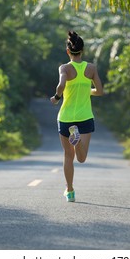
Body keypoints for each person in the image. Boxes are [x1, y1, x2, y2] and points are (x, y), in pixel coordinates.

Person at [50, 31, 104, 202]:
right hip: (85, 117)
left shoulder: (64, 68)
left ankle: (70, 191)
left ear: (68, 51)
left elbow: (61, 85)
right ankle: (77, 138)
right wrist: (88, 90)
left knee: (68, 156)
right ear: (82, 51)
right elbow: (100, 91)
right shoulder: (91, 68)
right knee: (81, 158)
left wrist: (57, 98)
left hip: (66, 118)